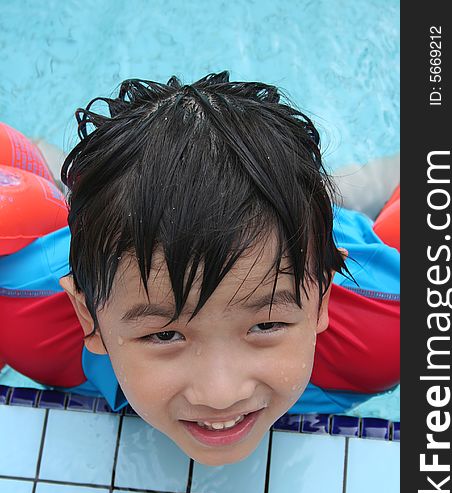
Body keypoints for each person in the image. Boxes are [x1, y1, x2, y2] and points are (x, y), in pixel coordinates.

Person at [0, 71, 399, 466]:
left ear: (322, 298)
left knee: (362, 198)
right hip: (109, 234)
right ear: (87, 315)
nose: (220, 394)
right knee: (35, 195)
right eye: (165, 334)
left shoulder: (391, 325)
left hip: (306, 231)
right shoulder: (20, 312)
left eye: (266, 325)